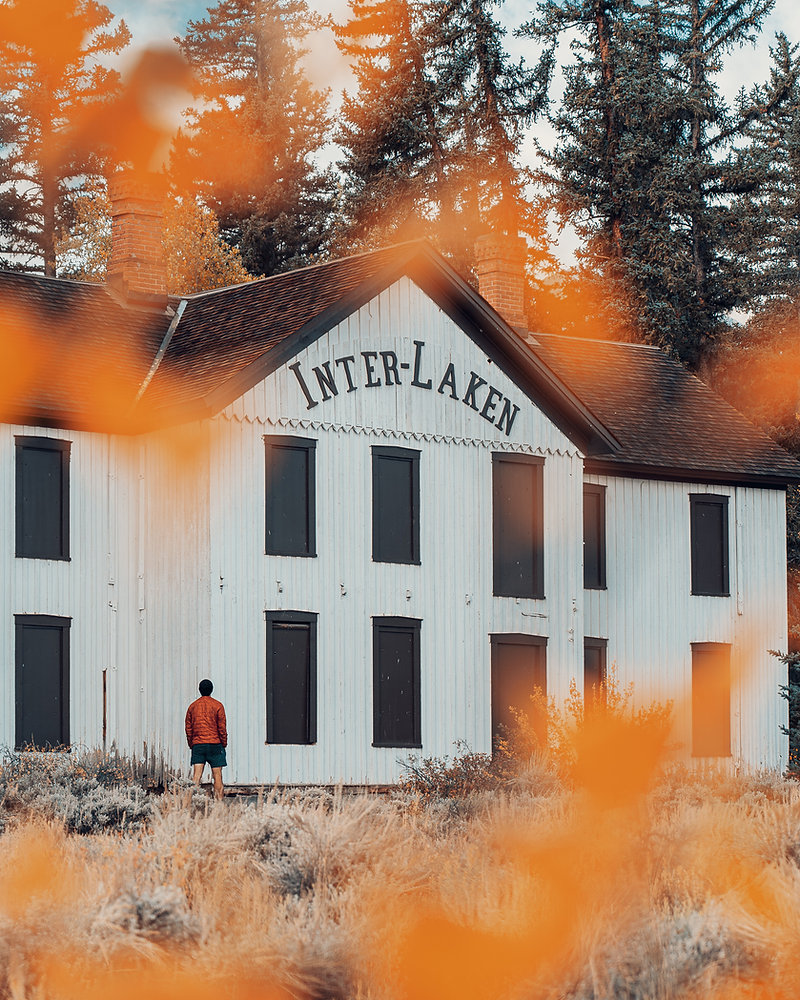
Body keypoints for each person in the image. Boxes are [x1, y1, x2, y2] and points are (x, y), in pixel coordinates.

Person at [185, 679, 228, 799]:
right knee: (217, 776)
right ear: (211, 690)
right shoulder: (218, 705)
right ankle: (219, 804)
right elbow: (222, 728)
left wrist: (192, 744)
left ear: (199, 690)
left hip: (198, 745)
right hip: (215, 744)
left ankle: (191, 803)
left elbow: (188, 729)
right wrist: (223, 743)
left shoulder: (192, 707)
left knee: (196, 777)